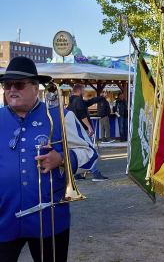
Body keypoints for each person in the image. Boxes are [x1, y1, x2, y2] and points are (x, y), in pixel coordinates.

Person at [0, 56, 97, 262]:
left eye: (18, 84)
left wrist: (62, 158)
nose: (11, 89)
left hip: (49, 219)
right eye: (6, 84)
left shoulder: (61, 115)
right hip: (3, 218)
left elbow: (90, 152)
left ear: (36, 88)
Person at [67, 85, 108, 182]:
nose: (85, 92)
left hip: (74, 131)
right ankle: (95, 173)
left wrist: (101, 97)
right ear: (80, 91)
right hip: (81, 130)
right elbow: (82, 115)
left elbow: (89, 102)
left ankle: (77, 173)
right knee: (90, 150)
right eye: (84, 90)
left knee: (79, 151)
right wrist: (89, 127)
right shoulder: (78, 101)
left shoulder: (72, 101)